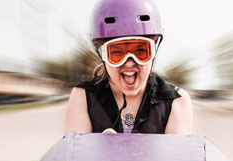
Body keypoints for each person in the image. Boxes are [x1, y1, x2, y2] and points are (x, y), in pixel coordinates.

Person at [64, 0, 193, 135]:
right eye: (117, 53)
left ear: (154, 51)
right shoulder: (83, 96)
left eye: (141, 51)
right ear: (103, 55)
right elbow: (74, 153)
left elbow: (177, 155)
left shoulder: (176, 101)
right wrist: (99, 151)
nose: (129, 62)